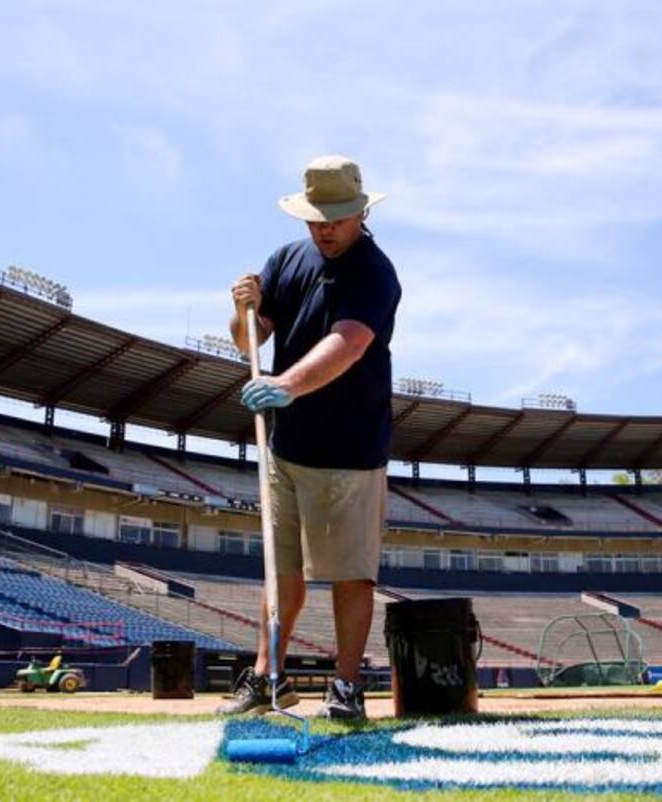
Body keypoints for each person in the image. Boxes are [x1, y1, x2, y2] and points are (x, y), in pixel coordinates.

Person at [220, 155, 400, 720]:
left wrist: (287, 384)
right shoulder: (287, 260)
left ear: (361, 212)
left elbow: (348, 344)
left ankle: (346, 687)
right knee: (281, 571)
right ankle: (268, 677)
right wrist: (241, 311)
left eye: (338, 218)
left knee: (349, 573)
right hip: (287, 446)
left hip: (349, 449)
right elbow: (250, 345)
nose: (325, 228)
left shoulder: (375, 272)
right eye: (316, 218)